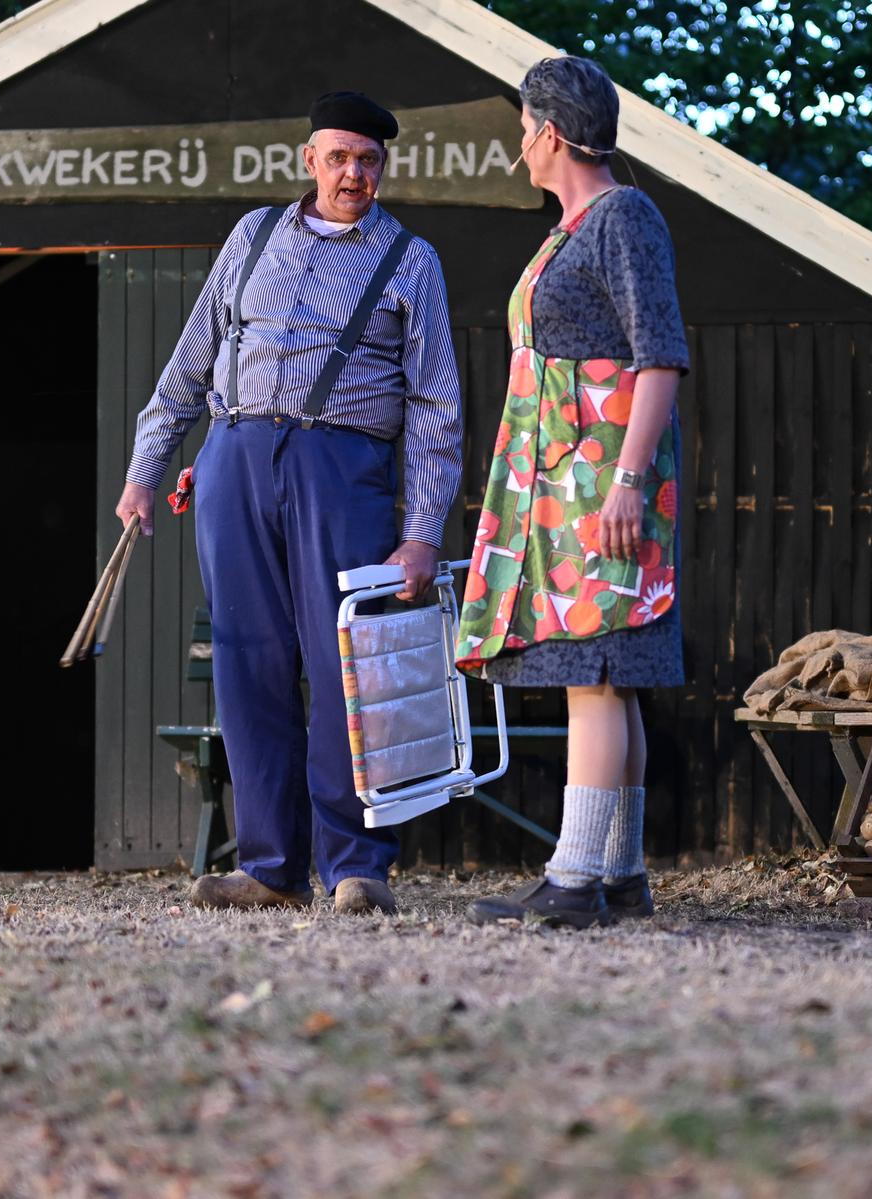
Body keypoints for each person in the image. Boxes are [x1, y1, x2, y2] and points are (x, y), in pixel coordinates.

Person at [115, 92, 463, 916]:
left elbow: (437, 410)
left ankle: (357, 866)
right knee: (247, 663)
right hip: (234, 457)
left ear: (384, 169)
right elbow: (189, 363)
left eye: (369, 161)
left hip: (343, 472)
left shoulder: (412, 260)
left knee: (349, 667)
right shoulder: (253, 235)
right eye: (340, 157)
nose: (355, 174)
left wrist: (421, 533)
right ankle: (270, 867)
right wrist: (144, 470)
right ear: (309, 158)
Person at [457, 57, 687, 929]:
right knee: (610, 676)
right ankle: (619, 874)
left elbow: (657, 353)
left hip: (599, 480)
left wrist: (628, 480)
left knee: (594, 672)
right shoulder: (573, 227)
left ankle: (574, 876)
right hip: (564, 484)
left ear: (549, 132)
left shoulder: (621, 217)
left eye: (524, 129)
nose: (521, 146)